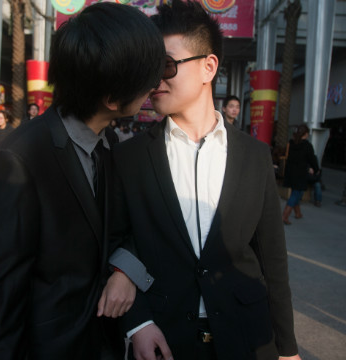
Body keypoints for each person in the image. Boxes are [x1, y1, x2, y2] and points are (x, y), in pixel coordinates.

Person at [109, 1, 301, 359]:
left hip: (246, 335)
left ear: (208, 67)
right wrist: (137, 322)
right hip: (162, 337)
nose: (155, 80)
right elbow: (114, 241)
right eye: (149, 68)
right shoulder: (129, 157)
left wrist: (287, 349)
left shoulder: (255, 157)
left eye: (165, 65)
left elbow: (272, 261)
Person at [0, 3, 165, 359]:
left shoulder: (106, 142)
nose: (154, 87)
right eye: (147, 79)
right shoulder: (17, 162)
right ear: (111, 98)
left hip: (101, 340)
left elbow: (117, 230)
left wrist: (125, 272)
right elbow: (2, 297)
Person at [282, 124, 319, 225]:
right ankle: (284, 216)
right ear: (306, 134)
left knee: (296, 192)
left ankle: (298, 213)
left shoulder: (291, 143)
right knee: (296, 194)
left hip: (291, 172)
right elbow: (312, 159)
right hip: (300, 173)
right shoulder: (307, 146)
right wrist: (316, 169)